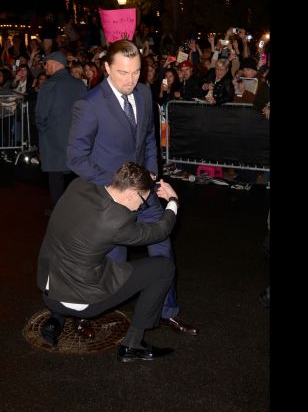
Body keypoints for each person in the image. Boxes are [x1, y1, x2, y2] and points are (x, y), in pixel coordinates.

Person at [67, 39, 198, 336]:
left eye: (136, 72)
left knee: (163, 249)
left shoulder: (143, 93)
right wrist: (115, 187)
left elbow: (149, 138)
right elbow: (75, 158)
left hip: (146, 193)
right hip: (111, 198)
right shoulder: (89, 104)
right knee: (112, 260)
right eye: (123, 72)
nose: (131, 80)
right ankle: (90, 312)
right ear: (106, 68)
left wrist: (151, 173)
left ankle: (167, 311)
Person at [37, 162, 181, 362]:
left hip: (48, 287)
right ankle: (133, 344)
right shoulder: (116, 223)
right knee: (163, 268)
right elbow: (160, 230)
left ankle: (58, 317)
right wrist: (173, 201)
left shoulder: (79, 185)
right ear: (131, 194)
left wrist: (144, 178)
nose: (141, 207)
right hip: (78, 300)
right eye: (142, 201)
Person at [36, 51, 87, 215]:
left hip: (53, 136)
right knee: (76, 172)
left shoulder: (48, 85)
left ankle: (58, 209)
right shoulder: (79, 84)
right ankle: (79, 205)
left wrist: (42, 131)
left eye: (47, 63)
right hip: (76, 136)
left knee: (55, 173)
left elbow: (41, 114)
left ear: (55, 64)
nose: (45, 67)